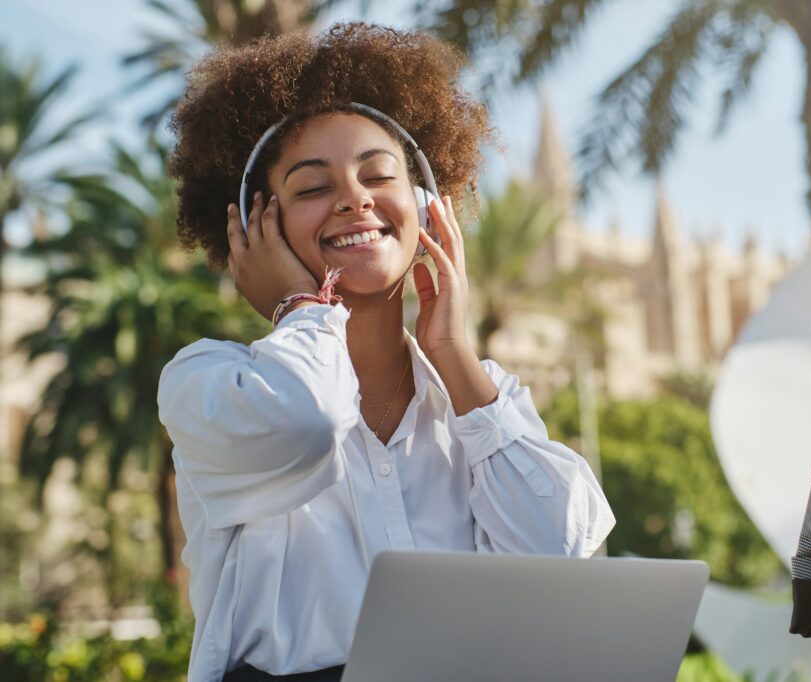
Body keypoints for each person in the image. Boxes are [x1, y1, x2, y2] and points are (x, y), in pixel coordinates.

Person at [158, 22, 615, 682]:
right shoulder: (210, 383)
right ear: (257, 224)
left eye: (378, 174)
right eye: (313, 188)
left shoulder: (481, 406)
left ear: (430, 208)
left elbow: (565, 553)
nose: (354, 197)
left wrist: (454, 352)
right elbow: (307, 422)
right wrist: (299, 307)